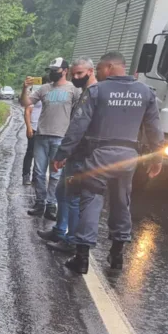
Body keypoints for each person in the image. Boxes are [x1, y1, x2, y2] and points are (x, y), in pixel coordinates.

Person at [52, 51, 163, 274]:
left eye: (101, 69)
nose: (99, 73)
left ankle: (82, 258)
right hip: (129, 158)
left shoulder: (97, 91)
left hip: (100, 156)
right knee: (122, 203)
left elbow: (78, 126)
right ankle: (117, 255)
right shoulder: (145, 92)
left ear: (110, 67)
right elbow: (154, 128)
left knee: (91, 202)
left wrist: (62, 153)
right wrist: (157, 157)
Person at [38, 57, 97, 252]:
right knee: (61, 192)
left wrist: (62, 152)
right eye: (75, 74)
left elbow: (79, 127)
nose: (77, 77)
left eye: (80, 73)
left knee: (72, 198)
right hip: (71, 152)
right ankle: (60, 231)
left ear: (92, 71)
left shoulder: (93, 93)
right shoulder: (84, 93)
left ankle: (72, 240)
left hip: (80, 154)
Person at [21, 58, 81, 220]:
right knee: (39, 172)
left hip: (61, 137)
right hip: (41, 135)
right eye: (51, 70)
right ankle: (40, 203)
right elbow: (26, 103)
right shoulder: (44, 88)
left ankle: (51, 205)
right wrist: (24, 88)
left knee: (55, 174)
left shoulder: (73, 89)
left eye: (56, 70)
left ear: (65, 70)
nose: (53, 73)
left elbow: (79, 111)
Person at [22, 85, 42, 185]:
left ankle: (36, 175)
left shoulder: (49, 94)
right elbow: (27, 111)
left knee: (41, 155)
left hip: (44, 129)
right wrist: (29, 127)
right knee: (30, 153)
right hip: (34, 128)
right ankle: (26, 175)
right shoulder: (35, 94)